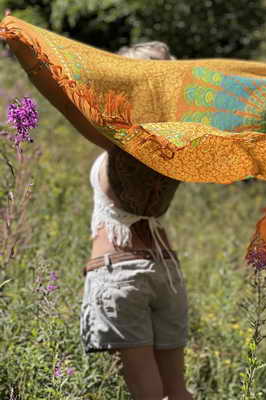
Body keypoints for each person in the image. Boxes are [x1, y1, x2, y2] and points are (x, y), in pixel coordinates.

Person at [79, 42, 193, 400]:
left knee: (147, 394)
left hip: (120, 272)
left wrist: (25, 47)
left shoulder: (123, 143)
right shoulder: (177, 144)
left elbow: (66, 96)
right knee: (176, 393)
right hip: (167, 273)